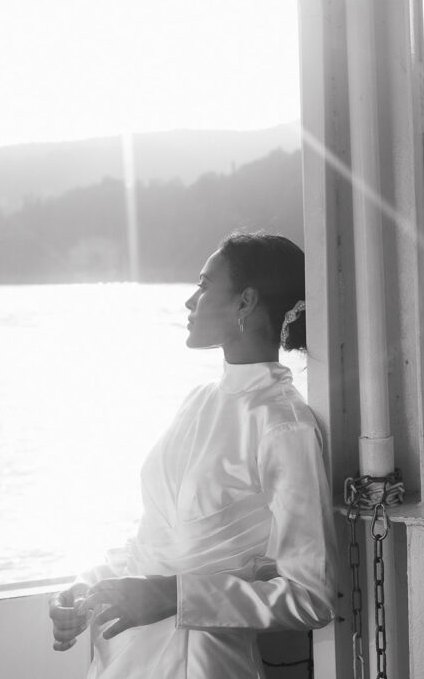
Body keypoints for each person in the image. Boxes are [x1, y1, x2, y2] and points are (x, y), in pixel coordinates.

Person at [49, 231, 336, 678]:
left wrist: (174, 596)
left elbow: (310, 597)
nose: (190, 301)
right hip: (120, 658)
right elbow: (154, 538)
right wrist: (87, 587)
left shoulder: (283, 425)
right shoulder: (197, 400)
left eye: (203, 286)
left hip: (200, 665)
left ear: (246, 303)